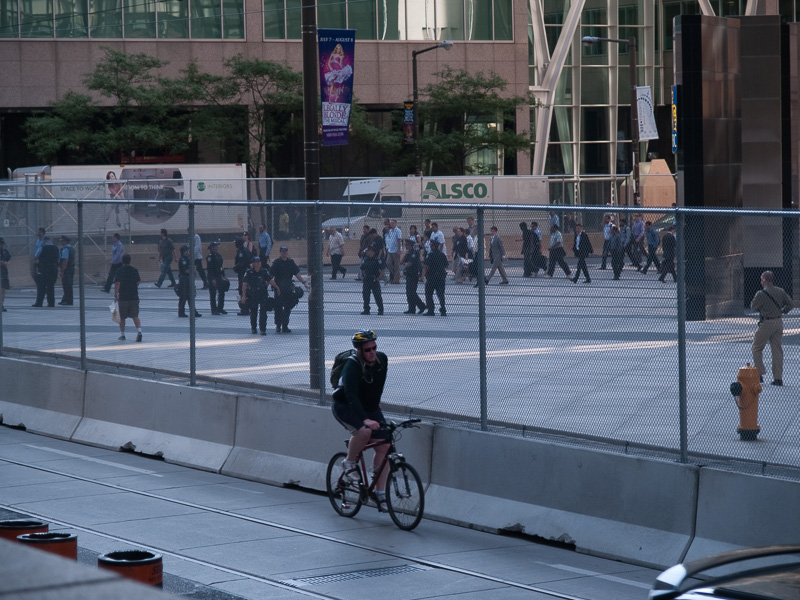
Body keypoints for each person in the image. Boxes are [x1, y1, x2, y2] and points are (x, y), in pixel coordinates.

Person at [332, 330, 390, 507]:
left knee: (386, 446)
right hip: (345, 405)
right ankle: (349, 462)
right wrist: (364, 419)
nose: (372, 352)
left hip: (368, 406)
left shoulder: (382, 359)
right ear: (358, 350)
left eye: (374, 348)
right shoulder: (352, 366)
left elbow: (379, 384)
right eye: (367, 350)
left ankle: (379, 493)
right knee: (364, 432)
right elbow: (350, 395)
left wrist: (375, 405)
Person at [751, 270, 792, 386]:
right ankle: (778, 378)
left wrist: (763, 308)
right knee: (777, 350)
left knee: (756, 347)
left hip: (767, 322)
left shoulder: (761, 294)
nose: (760, 281)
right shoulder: (780, 291)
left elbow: (753, 307)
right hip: (778, 321)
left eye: (761, 279)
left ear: (764, 280)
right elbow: (790, 304)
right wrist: (783, 310)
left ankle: (759, 373)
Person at [271, 245, 308, 333]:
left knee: (288, 307)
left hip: (288, 289)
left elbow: (297, 273)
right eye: (283, 251)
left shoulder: (290, 262)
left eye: (286, 251)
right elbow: (271, 275)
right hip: (279, 289)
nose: (285, 253)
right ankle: (278, 325)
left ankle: (285, 326)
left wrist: (304, 282)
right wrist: (269, 284)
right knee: (278, 308)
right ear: (280, 252)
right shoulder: (276, 263)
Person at [241, 256, 279, 335]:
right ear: (253, 263)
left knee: (263, 313)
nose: (258, 263)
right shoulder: (249, 272)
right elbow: (244, 285)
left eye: (259, 262)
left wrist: (277, 287)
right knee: (253, 312)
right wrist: (244, 296)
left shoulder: (264, 271)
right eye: (257, 262)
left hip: (262, 294)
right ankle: (254, 328)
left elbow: (270, 280)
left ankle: (263, 329)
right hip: (253, 294)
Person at [113, 254, 143, 342]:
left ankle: (123, 335)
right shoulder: (134, 270)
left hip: (123, 297)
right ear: (130, 260)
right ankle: (139, 332)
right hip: (134, 296)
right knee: (135, 315)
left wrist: (115, 295)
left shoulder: (119, 270)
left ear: (122, 261)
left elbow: (117, 283)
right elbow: (138, 281)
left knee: (122, 317)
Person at [422, 238, 447, 316]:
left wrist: (423, 275)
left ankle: (431, 309)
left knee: (429, 293)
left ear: (433, 246)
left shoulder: (430, 254)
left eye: (431, 245)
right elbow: (446, 265)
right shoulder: (442, 255)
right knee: (440, 294)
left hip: (432, 277)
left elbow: (426, 266)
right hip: (441, 277)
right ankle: (443, 309)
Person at [33, 236, 59, 307]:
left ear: (44, 241)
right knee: (50, 287)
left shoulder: (42, 247)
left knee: (41, 287)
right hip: (53, 269)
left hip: (43, 269)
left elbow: (36, 256)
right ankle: (51, 303)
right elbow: (58, 258)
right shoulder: (56, 248)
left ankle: (39, 303)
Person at [177, 245, 202, 318]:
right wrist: (193, 270)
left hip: (188, 279)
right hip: (184, 279)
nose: (188, 252)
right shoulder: (183, 260)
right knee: (183, 296)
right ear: (184, 251)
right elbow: (186, 270)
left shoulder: (188, 259)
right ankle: (181, 312)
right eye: (187, 251)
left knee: (191, 296)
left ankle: (193, 311)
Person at [360, 245, 385, 315]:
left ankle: (380, 309)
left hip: (374, 280)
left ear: (372, 251)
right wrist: (362, 276)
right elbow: (362, 268)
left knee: (377, 296)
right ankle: (366, 309)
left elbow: (382, 269)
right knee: (365, 295)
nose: (367, 252)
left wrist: (379, 278)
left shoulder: (377, 260)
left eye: (368, 251)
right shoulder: (366, 259)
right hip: (367, 279)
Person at [401, 242, 425, 314]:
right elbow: (401, 262)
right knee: (409, 293)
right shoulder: (408, 253)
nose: (406, 246)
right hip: (408, 274)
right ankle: (411, 308)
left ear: (410, 245)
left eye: (407, 245)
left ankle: (421, 305)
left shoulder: (414, 253)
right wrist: (404, 256)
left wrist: (404, 264)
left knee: (412, 292)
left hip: (413, 274)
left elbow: (409, 264)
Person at [206, 241, 228, 315]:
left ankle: (220, 308)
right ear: (212, 248)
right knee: (213, 294)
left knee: (221, 292)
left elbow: (221, 267)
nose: (216, 248)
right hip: (213, 277)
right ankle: (214, 309)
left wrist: (223, 276)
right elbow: (209, 270)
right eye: (215, 246)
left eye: (217, 246)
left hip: (219, 276)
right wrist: (212, 279)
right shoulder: (210, 257)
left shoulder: (218, 255)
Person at [233, 237, 253, 316]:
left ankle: (244, 309)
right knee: (246, 290)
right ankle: (247, 308)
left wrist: (235, 268)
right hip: (246, 273)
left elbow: (242, 263)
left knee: (242, 290)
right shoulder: (246, 250)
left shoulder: (241, 252)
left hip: (242, 273)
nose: (235, 244)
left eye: (236, 243)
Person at [384, 219, 403, 284]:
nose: (391, 224)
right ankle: (396, 274)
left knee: (396, 265)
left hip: (396, 250)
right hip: (390, 250)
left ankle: (396, 279)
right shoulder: (390, 231)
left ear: (396, 223)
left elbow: (399, 240)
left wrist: (399, 249)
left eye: (393, 223)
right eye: (391, 223)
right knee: (388, 263)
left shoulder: (398, 231)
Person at [58, 235, 75, 305]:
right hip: (71, 268)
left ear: (65, 241)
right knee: (69, 284)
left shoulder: (65, 249)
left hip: (67, 269)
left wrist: (62, 270)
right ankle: (66, 299)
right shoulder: (71, 248)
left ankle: (68, 300)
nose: (61, 242)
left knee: (66, 285)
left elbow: (65, 260)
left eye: (62, 241)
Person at [0, 237, 10, 312]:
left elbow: (9, 259)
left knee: (3, 289)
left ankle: (1, 304)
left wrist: (7, 263)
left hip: (3, 272)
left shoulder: (5, 251)